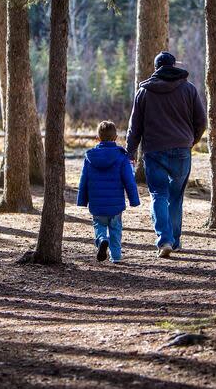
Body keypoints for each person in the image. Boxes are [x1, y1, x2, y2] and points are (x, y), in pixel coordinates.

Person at [126, 51, 206, 258]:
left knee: (158, 195)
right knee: (176, 197)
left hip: (154, 151)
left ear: (156, 68)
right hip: (181, 150)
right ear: (173, 66)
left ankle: (165, 241)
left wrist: (130, 151)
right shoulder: (189, 89)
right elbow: (201, 121)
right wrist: (191, 140)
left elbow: (134, 127)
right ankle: (175, 241)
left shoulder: (143, 92)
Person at [77, 120, 141, 263]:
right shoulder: (121, 157)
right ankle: (116, 256)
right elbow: (129, 180)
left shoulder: (90, 158)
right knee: (115, 229)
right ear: (116, 137)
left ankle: (101, 240)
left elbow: (84, 180)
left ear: (97, 138)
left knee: (99, 225)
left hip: (97, 203)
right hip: (115, 204)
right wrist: (134, 200)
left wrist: (82, 200)